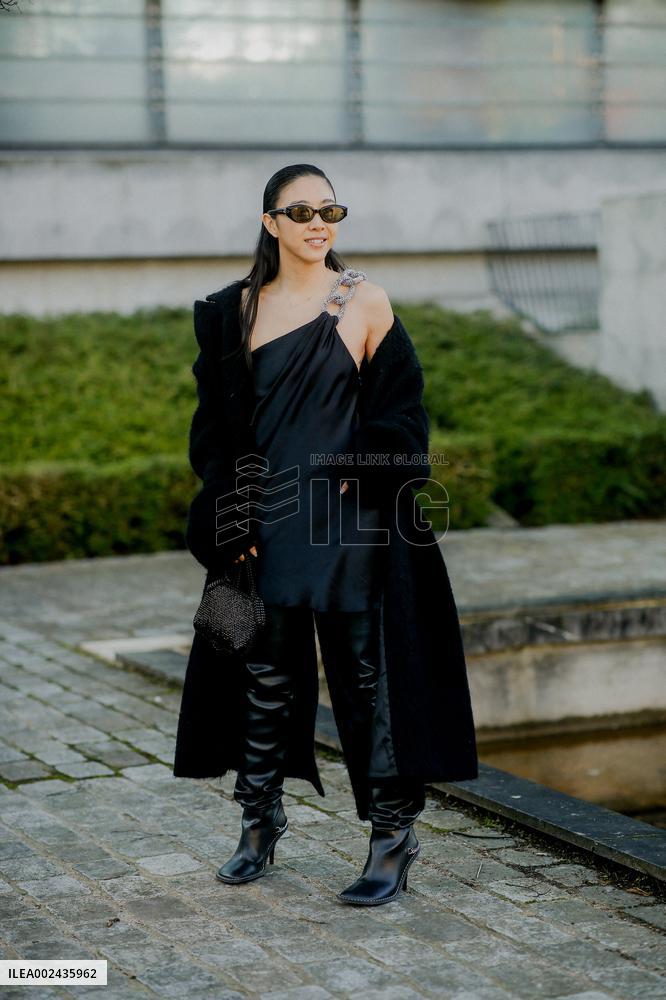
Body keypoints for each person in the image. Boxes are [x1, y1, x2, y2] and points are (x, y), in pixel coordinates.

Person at [173, 163, 479, 906]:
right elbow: (214, 431)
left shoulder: (365, 301)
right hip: (268, 521)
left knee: (370, 684)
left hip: (355, 524)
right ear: (270, 222)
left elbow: (404, 415)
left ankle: (392, 836)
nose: (319, 224)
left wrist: (369, 464)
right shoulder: (230, 312)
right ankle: (259, 821)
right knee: (264, 678)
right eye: (302, 211)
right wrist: (232, 513)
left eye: (330, 211)